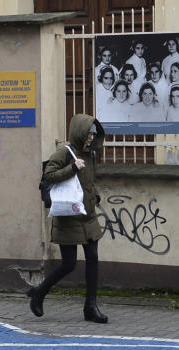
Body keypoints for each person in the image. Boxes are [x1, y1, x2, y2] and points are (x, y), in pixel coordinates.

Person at [28, 114, 108, 324]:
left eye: (93, 135)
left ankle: (90, 307)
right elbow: (49, 175)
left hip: (87, 215)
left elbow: (89, 181)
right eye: (88, 134)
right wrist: (72, 167)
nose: (91, 138)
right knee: (69, 264)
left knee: (93, 258)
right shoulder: (64, 153)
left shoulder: (90, 155)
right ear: (79, 133)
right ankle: (39, 292)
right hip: (68, 216)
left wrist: (95, 194)